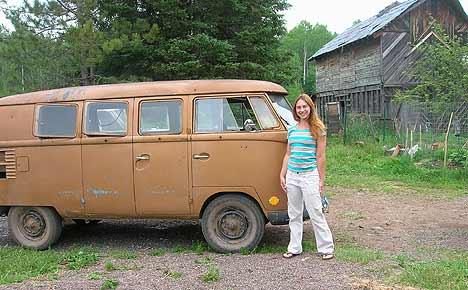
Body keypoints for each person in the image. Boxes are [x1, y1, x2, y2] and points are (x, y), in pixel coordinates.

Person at [280, 93, 334, 260]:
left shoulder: (318, 129)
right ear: (295, 110)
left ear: (310, 108)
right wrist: (282, 174)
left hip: (309, 175)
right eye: (299, 107)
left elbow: (321, 156)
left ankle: (326, 248)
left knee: (316, 211)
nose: (302, 110)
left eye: (305, 106)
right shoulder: (291, 129)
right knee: (294, 213)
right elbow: (288, 154)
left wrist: (321, 180)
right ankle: (294, 247)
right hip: (292, 176)